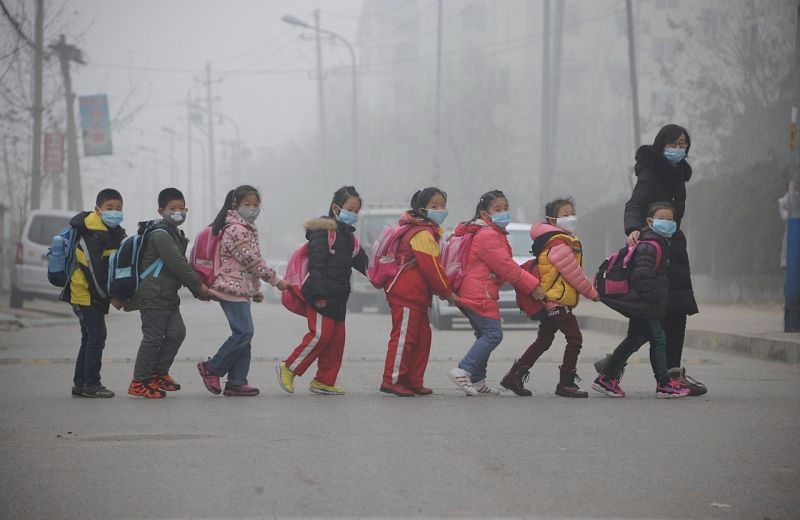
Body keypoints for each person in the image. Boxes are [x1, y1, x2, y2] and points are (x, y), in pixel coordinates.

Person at [595, 124, 706, 396]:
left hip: (673, 249)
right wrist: (633, 228)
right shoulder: (651, 173)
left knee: (676, 313)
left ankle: (669, 374)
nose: (679, 149)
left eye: (683, 144)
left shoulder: (678, 174)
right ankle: (623, 371)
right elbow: (634, 203)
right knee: (648, 320)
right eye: (674, 143)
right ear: (661, 144)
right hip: (654, 247)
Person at [448, 190, 544, 396]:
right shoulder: (488, 235)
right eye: (497, 209)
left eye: (506, 208)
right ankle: (463, 369)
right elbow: (506, 267)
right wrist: (532, 285)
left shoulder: (491, 233)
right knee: (493, 335)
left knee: (484, 334)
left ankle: (478, 381)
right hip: (478, 294)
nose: (504, 213)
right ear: (484, 215)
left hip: (477, 292)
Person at [501, 197, 598, 398]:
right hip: (557, 301)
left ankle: (515, 375)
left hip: (551, 301)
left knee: (544, 340)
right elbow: (574, 275)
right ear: (552, 220)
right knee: (575, 339)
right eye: (565, 215)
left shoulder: (557, 240)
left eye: (572, 213)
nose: (571, 218)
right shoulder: (559, 245)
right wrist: (592, 293)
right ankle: (565, 383)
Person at [276, 186, 369, 395]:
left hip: (339, 296)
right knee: (321, 336)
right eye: (349, 209)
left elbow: (363, 262)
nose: (353, 214)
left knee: (336, 341)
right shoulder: (323, 231)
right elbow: (317, 264)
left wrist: (382, 278)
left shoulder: (349, 238)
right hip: (321, 295)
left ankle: (324, 381)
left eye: (356, 210)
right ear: (336, 208)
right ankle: (288, 367)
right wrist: (319, 294)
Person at [592, 202, 690, 399]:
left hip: (644, 304)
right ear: (650, 221)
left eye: (670, 220)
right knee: (659, 340)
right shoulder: (650, 245)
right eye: (662, 219)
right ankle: (663, 384)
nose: (667, 223)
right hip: (646, 305)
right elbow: (642, 277)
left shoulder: (657, 242)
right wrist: (655, 299)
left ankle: (607, 378)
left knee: (634, 340)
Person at [197, 185, 287, 397]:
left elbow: (245, 265)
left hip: (239, 288)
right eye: (247, 204)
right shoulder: (236, 228)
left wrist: (254, 290)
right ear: (235, 206)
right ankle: (212, 368)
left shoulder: (245, 227)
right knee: (244, 332)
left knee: (244, 337)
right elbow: (251, 260)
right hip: (229, 287)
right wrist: (276, 281)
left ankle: (237, 381)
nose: (253, 208)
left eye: (256, 205)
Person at [125, 188, 210, 398]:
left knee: (176, 333)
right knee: (153, 338)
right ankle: (139, 381)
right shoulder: (161, 235)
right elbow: (178, 264)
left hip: (167, 295)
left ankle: (158, 373)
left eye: (181, 208)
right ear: (161, 211)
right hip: (152, 294)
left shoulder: (174, 233)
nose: (178, 212)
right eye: (173, 208)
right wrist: (198, 287)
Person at [379, 187, 459, 397]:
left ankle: (413, 380)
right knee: (405, 339)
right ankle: (393, 379)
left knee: (423, 338)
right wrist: (447, 293)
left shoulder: (428, 231)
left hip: (418, 296)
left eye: (443, 205)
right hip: (406, 293)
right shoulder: (422, 233)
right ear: (422, 209)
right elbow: (431, 267)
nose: (441, 209)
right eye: (435, 206)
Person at [63, 188, 127, 398]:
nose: (115, 212)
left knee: (89, 336)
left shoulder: (115, 232)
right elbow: (95, 272)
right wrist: (111, 298)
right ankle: (92, 384)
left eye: (118, 208)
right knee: (97, 335)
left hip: (95, 293)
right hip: (84, 292)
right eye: (110, 208)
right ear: (98, 210)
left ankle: (80, 383)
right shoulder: (90, 233)